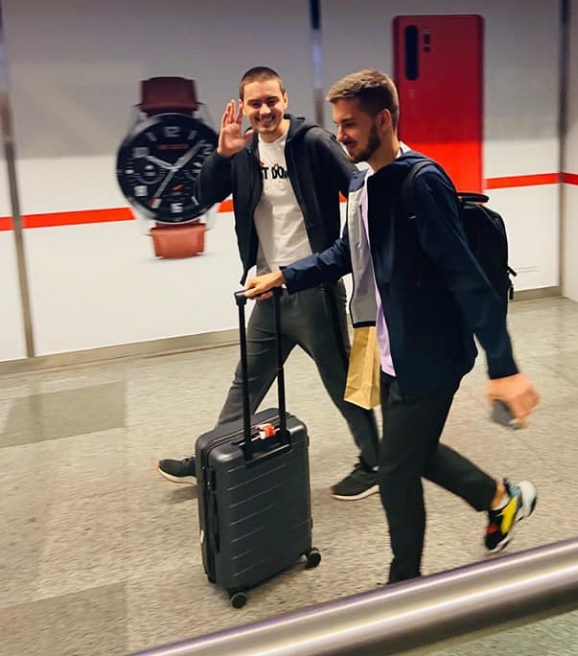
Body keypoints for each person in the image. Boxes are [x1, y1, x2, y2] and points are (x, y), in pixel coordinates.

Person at [245, 69, 540, 583]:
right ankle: (500, 499)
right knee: (412, 452)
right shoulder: (364, 184)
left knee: (396, 470)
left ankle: (403, 588)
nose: (341, 135)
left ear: (383, 120)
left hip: (430, 354)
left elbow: (468, 279)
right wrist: (286, 275)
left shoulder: (421, 183)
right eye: (338, 124)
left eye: (350, 124)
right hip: (388, 346)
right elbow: (347, 252)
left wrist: (505, 367)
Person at [157, 66, 380, 501]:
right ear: (243, 107)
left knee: (340, 381)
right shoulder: (242, 152)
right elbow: (201, 196)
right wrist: (221, 156)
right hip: (267, 288)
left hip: (312, 288)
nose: (264, 111)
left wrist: (341, 256)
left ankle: (376, 463)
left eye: (271, 101)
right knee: (247, 382)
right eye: (255, 103)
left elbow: (360, 192)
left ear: (286, 100)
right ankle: (210, 459)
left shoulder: (313, 143)